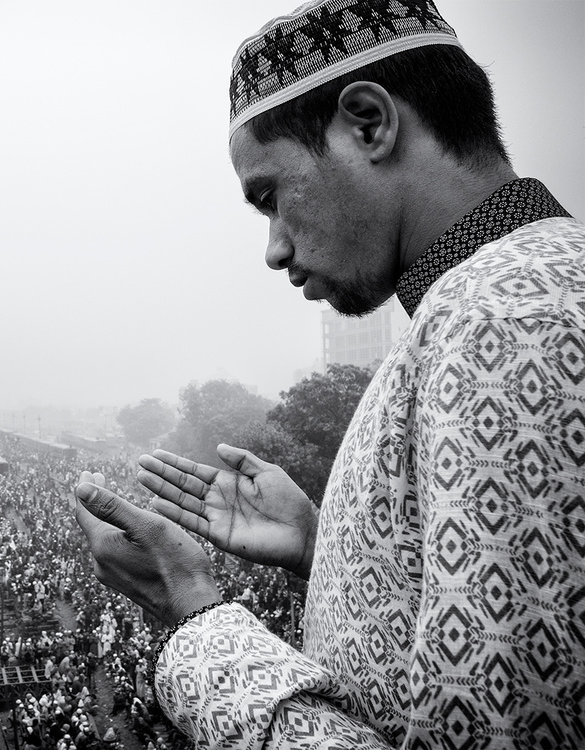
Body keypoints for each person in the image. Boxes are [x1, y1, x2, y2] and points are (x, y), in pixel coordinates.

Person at [72, 1, 585, 747]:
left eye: (271, 197)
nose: (274, 249)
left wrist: (197, 617)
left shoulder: (506, 320)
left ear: (369, 124)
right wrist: (330, 551)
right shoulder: (488, 303)